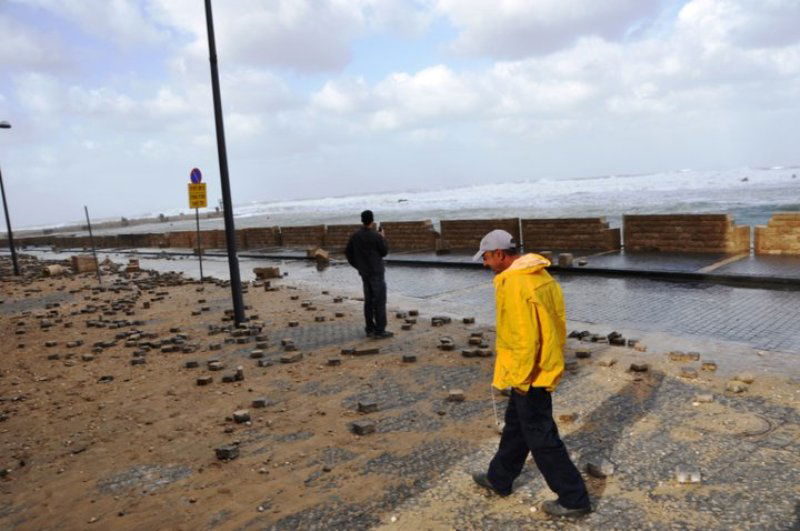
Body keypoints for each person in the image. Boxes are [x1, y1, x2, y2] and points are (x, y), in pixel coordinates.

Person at [470, 229, 591, 518]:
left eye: (486, 258)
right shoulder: (539, 275)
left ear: (500, 254)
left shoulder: (515, 283)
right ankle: (499, 478)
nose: (485, 264)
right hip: (540, 364)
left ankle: (574, 498)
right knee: (516, 427)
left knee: (541, 436)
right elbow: (555, 322)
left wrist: (521, 379)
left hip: (530, 373)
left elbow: (524, 339)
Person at [345, 210, 393, 339]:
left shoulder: (355, 236)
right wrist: (382, 237)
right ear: (372, 221)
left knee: (369, 301)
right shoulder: (376, 236)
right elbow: (384, 252)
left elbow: (348, 254)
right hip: (376, 272)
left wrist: (359, 266)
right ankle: (380, 330)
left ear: (362, 220)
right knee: (379, 301)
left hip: (365, 273)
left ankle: (369, 329)